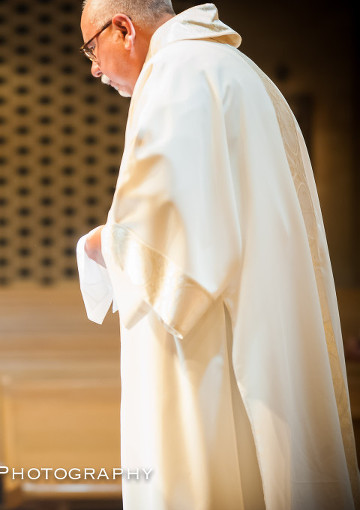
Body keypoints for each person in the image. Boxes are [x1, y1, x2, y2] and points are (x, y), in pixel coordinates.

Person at [76, 1, 359, 509]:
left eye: (91, 49)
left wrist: (97, 244)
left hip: (206, 345)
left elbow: (164, 242)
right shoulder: (240, 71)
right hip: (258, 320)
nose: (93, 68)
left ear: (122, 28)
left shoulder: (176, 77)